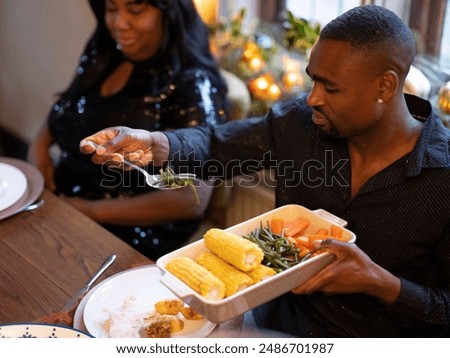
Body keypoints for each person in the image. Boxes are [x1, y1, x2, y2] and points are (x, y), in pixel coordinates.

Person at [79, 5, 450, 337]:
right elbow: (216, 146)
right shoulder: (301, 125)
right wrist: (156, 143)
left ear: (385, 85)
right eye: (313, 79)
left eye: (331, 88)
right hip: (269, 323)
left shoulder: (443, 178)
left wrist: (383, 284)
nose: (312, 98)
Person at [27, 0, 229, 260]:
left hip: (128, 235)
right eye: (111, 9)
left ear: (169, 12)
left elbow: (191, 200)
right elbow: (70, 104)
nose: (119, 23)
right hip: (62, 205)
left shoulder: (193, 84)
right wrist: (39, 146)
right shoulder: (106, 50)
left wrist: (89, 210)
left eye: (136, 10)